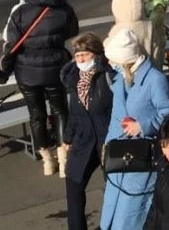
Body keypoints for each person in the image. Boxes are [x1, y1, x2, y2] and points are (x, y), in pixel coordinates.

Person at [0, 0, 78, 177]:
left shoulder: (20, 11)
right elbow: (72, 32)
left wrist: (5, 70)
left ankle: (47, 161)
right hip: (55, 67)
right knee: (60, 111)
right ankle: (64, 160)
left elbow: (11, 42)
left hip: (26, 71)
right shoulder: (64, 9)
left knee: (36, 114)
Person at [100, 28, 169, 230]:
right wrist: (106, 148)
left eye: (114, 60)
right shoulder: (120, 80)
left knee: (132, 215)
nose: (111, 64)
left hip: (140, 159)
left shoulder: (155, 79)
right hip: (117, 158)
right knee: (112, 212)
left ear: (125, 60)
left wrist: (142, 126)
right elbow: (115, 118)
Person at [60, 33, 114, 230]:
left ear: (96, 54)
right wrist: (68, 138)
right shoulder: (75, 78)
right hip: (83, 139)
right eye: (77, 56)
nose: (81, 60)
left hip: (107, 139)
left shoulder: (108, 75)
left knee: (114, 187)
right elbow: (74, 112)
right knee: (73, 183)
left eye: (85, 54)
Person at [106, 0, 158, 68]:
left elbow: (109, 52)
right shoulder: (149, 26)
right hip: (150, 68)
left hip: (127, 71)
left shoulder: (118, 31)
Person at [131, 0, 169, 69]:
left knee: (155, 65)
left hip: (156, 41)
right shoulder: (141, 1)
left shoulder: (157, 7)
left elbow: (153, 23)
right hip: (145, 40)